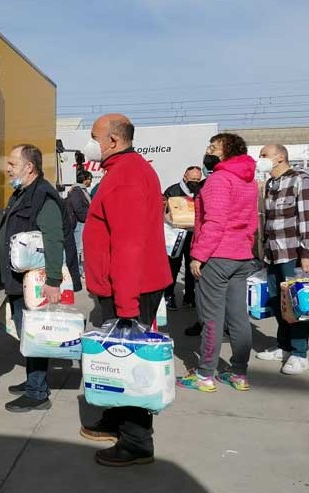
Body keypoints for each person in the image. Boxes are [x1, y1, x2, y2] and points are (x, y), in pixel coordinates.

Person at [79, 114, 172, 467]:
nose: (89, 144)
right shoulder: (122, 170)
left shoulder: (127, 176)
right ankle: (116, 421)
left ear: (113, 141)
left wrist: (128, 305)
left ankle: (136, 442)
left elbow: (129, 245)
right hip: (123, 286)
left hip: (130, 289)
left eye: (93, 137)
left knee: (130, 359)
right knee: (116, 358)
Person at [0, 144, 81, 413]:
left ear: (29, 167)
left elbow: (53, 239)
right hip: (20, 281)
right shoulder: (24, 193)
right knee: (27, 333)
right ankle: (33, 380)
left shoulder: (42, 196)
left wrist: (53, 282)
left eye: (12, 163)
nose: (7, 168)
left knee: (34, 334)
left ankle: (37, 392)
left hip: (35, 283)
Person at [177, 133, 258, 393]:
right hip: (241, 255)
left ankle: (204, 375)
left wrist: (199, 255)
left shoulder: (218, 180)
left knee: (211, 317)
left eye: (213, 147)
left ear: (226, 152)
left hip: (217, 256)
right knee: (238, 317)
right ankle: (239, 374)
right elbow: (252, 222)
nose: (208, 151)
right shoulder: (249, 181)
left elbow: (215, 222)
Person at [255, 144, 309, 375]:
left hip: (293, 253)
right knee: (277, 301)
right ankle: (283, 345)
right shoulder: (270, 183)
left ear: (280, 157)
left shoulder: (300, 179)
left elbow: (308, 217)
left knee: (296, 304)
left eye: (264, 155)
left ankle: (300, 353)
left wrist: (307, 253)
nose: (260, 159)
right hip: (273, 253)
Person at [162, 166, 203, 311]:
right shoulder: (172, 191)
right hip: (176, 235)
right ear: (185, 177)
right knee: (173, 267)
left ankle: (190, 297)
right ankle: (169, 295)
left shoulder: (201, 190)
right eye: (193, 179)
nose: (195, 182)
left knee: (192, 267)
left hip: (194, 236)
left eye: (198, 180)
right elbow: (162, 212)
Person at [66, 170, 93, 275]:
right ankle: (77, 271)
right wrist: (86, 217)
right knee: (78, 248)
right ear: (85, 180)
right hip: (79, 223)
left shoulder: (80, 190)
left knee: (81, 248)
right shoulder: (77, 191)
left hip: (82, 222)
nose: (90, 181)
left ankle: (80, 270)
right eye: (90, 179)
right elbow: (77, 207)